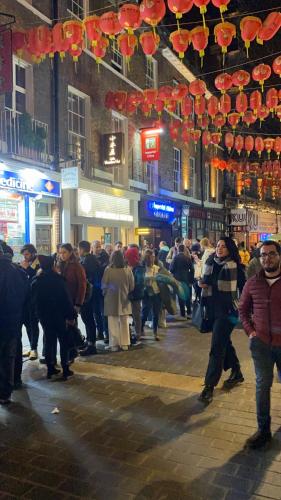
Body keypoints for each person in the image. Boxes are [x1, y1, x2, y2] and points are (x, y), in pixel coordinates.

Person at [239, 240, 281, 450]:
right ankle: (263, 431)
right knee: (262, 387)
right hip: (261, 344)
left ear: (279, 256)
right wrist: (251, 332)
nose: (267, 258)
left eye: (272, 254)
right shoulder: (252, 283)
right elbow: (243, 310)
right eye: (263, 255)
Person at [198, 237, 246, 404]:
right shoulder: (211, 262)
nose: (219, 248)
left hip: (228, 313)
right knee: (224, 342)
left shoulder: (237, 268)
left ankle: (209, 387)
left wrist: (245, 310)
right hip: (212, 311)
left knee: (216, 348)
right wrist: (202, 284)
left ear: (230, 249)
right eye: (218, 245)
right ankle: (237, 372)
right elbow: (205, 281)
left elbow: (245, 290)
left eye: (223, 246)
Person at [32, 256, 76, 380]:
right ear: (53, 265)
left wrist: (38, 314)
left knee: (49, 341)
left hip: (45, 317)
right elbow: (66, 299)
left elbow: (33, 301)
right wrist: (71, 315)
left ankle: (50, 368)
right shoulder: (58, 280)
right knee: (63, 341)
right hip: (59, 316)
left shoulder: (37, 280)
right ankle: (65, 368)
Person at [0, 243, 28, 404]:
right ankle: (9, 388)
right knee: (11, 354)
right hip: (14, 320)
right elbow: (26, 296)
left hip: (4, 319)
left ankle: (4, 390)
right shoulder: (18, 271)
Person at [102, 251, 134, 351]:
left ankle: (114, 344)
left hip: (111, 298)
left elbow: (104, 284)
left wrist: (110, 290)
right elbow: (132, 285)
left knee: (112, 321)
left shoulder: (108, 270)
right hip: (124, 298)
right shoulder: (127, 270)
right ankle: (125, 343)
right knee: (124, 321)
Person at [78, 240, 101, 356]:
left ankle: (91, 344)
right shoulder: (92, 259)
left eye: (79, 249)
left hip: (88, 294)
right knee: (89, 319)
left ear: (82, 249)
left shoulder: (87, 261)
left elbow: (86, 278)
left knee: (88, 319)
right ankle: (90, 342)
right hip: (93, 293)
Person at [20, 244, 41, 360]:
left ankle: (34, 348)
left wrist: (26, 269)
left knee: (33, 323)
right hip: (26, 298)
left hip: (36, 298)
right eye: (24, 255)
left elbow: (37, 278)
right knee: (27, 323)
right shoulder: (25, 263)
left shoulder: (39, 263)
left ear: (33, 253)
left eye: (27, 254)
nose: (25, 257)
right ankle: (31, 346)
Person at [58, 244, 87, 313]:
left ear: (70, 253)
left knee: (71, 322)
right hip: (60, 300)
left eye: (64, 252)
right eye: (60, 253)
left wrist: (78, 304)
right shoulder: (59, 265)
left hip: (72, 300)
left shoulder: (77, 266)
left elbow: (82, 286)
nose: (62, 255)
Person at [91, 240, 110, 342]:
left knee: (104, 312)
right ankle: (100, 332)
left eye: (99, 246)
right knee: (96, 312)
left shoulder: (105, 257)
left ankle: (106, 333)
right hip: (94, 289)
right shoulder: (90, 258)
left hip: (102, 288)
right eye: (96, 247)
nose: (98, 249)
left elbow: (104, 270)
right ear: (92, 248)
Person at [125, 247, 145, 341]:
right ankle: (134, 331)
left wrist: (130, 287)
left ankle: (138, 333)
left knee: (136, 314)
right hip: (130, 293)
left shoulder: (139, 268)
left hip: (135, 294)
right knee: (133, 314)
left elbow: (140, 282)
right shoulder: (129, 266)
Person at [141, 249, 162, 341]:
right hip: (146, 293)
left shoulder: (157, 268)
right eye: (151, 256)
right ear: (146, 258)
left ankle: (155, 332)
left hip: (156, 292)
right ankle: (141, 328)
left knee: (156, 313)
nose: (153, 258)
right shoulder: (142, 269)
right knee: (145, 312)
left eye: (153, 256)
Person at [170, 244, 194, 318]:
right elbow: (192, 269)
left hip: (177, 279)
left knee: (180, 296)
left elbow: (171, 269)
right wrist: (191, 280)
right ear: (184, 250)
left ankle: (183, 314)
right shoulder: (188, 258)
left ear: (178, 249)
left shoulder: (175, 258)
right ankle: (189, 312)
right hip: (186, 279)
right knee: (187, 295)